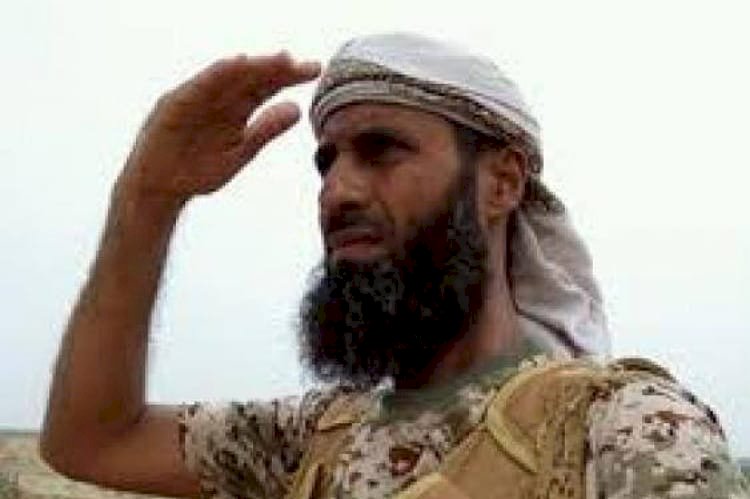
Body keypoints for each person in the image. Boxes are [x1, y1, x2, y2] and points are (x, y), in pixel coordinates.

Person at [39, 33, 748, 499]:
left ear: (502, 183)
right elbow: (91, 440)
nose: (337, 190)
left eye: (382, 150)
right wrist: (148, 198)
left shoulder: (621, 428)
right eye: (326, 161)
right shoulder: (313, 437)